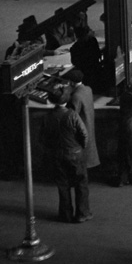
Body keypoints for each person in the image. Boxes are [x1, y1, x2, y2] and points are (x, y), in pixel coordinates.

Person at [42, 86, 90, 222]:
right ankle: (82, 213)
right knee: (81, 184)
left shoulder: (47, 117)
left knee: (63, 185)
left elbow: (43, 138)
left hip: (57, 154)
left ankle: (65, 214)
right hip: (75, 153)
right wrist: (81, 148)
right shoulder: (72, 115)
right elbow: (84, 134)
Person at [67, 70, 100, 172]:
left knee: (81, 152)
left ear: (71, 82)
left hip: (81, 126)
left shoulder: (76, 96)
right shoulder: (88, 89)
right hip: (89, 122)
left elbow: (72, 114)